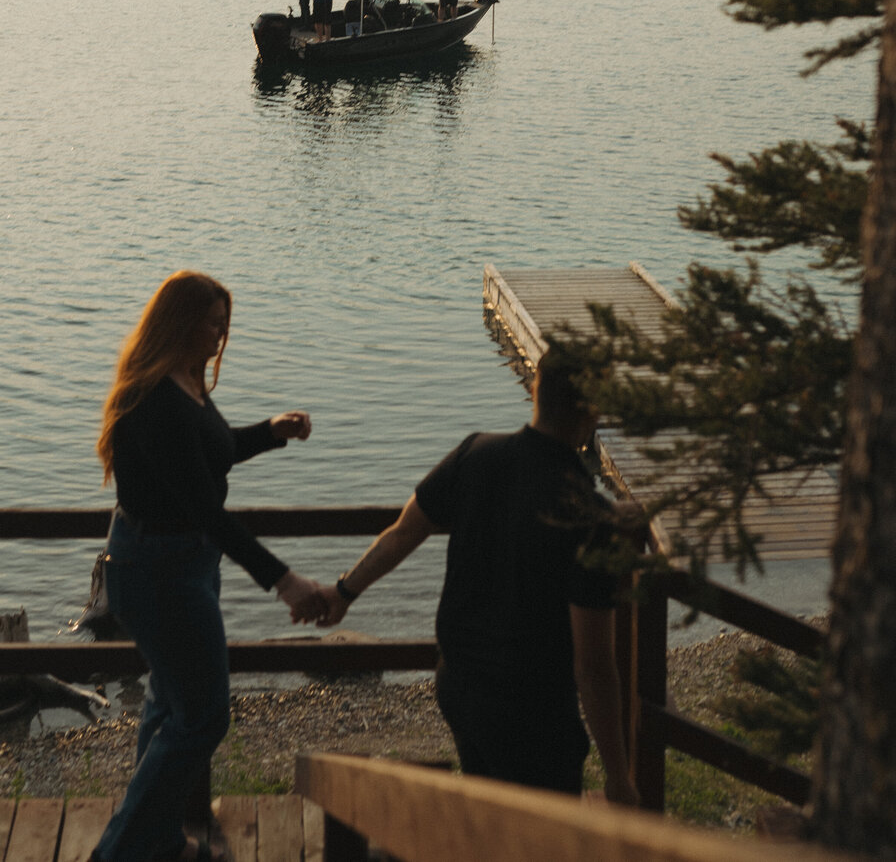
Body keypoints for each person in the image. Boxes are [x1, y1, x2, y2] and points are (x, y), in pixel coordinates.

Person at [311, 349, 638, 805]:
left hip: (460, 687)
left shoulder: (475, 453)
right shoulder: (588, 517)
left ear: (533, 389)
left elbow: (403, 532)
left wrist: (344, 591)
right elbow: (594, 666)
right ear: (594, 409)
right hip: (534, 711)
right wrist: (619, 776)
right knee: (539, 838)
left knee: (489, 819)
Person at [91, 272, 325, 862]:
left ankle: (158, 841)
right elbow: (203, 507)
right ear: (178, 322)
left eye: (225, 323)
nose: (221, 334)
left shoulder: (186, 381)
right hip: (158, 568)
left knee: (170, 703)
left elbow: (208, 456)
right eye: (211, 322)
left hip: (181, 560)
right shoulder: (155, 401)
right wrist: (284, 579)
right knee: (203, 717)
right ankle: (121, 852)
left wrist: (269, 433)